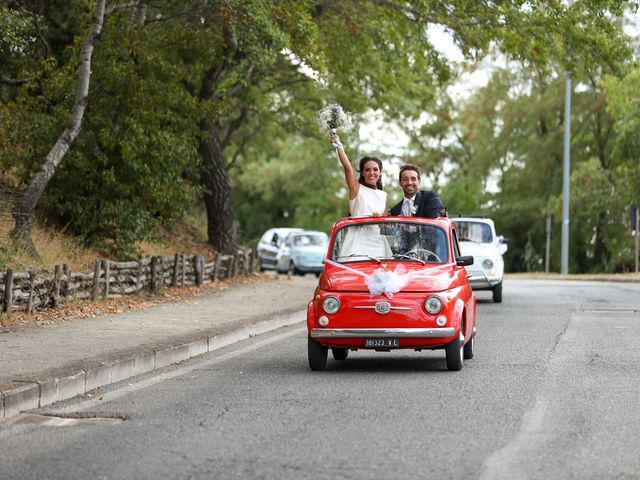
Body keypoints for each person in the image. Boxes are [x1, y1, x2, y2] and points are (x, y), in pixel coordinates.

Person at [330, 133, 392, 259]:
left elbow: (384, 228)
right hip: (356, 242)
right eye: (367, 170)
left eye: (375, 170)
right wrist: (338, 145)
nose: (371, 173)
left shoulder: (385, 196)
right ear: (362, 173)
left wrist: (380, 220)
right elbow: (347, 168)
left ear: (380, 173)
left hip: (378, 243)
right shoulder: (356, 188)